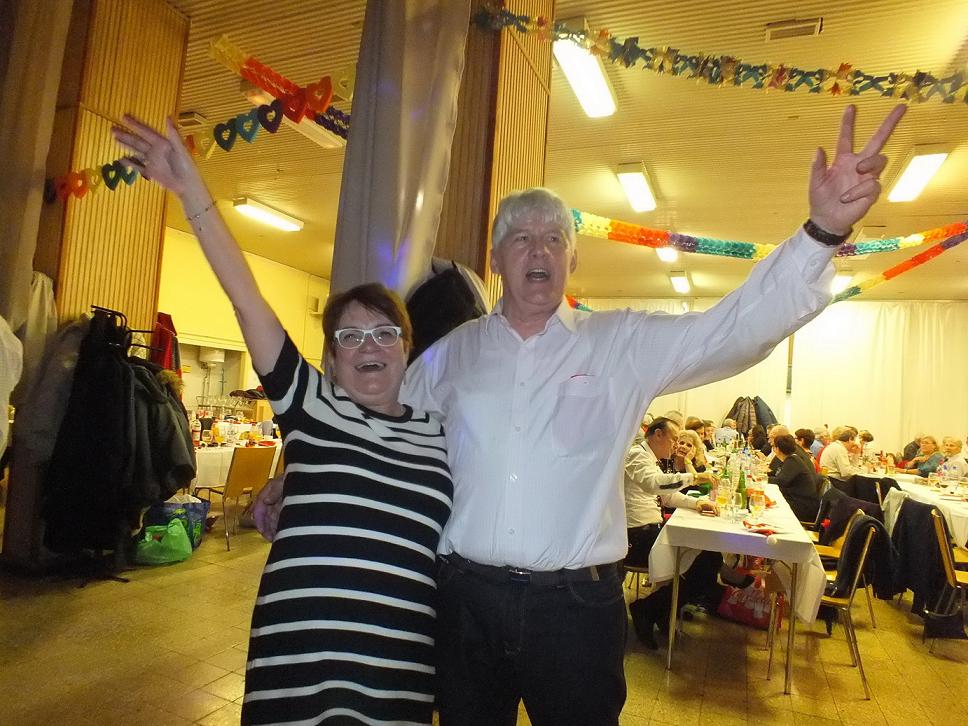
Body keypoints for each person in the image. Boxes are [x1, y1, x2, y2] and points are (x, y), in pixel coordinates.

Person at [257, 104, 906, 725]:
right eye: (519, 238)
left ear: (573, 258)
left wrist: (820, 233)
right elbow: (377, 429)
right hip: (464, 602)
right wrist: (297, 476)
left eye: (554, 238)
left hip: (574, 611)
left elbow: (731, 331)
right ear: (495, 259)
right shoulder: (449, 357)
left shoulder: (620, 344)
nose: (537, 251)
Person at [113, 117, 454, 725]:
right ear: (330, 359)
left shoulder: (442, 433)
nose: (369, 346)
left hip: (399, 663)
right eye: (350, 335)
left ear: (406, 348)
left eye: (384, 332)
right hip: (298, 655)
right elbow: (248, 302)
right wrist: (193, 193)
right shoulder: (313, 409)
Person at [623, 418, 720, 649]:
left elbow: (666, 496)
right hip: (635, 536)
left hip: (650, 530)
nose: (676, 445)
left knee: (710, 558)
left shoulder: (650, 458)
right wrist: (694, 477)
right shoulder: (636, 455)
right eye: (674, 439)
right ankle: (652, 610)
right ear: (658, 435)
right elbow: (654, 484)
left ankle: (657, 609)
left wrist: (696, 504)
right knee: (706, 560)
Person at [769, 434, 821, 523]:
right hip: (798, 499)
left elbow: (781, 481)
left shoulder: (792, 461)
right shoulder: (791, 459)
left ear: (777, 449)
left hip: (802, 506)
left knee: (771, 508)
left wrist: (763, 479)